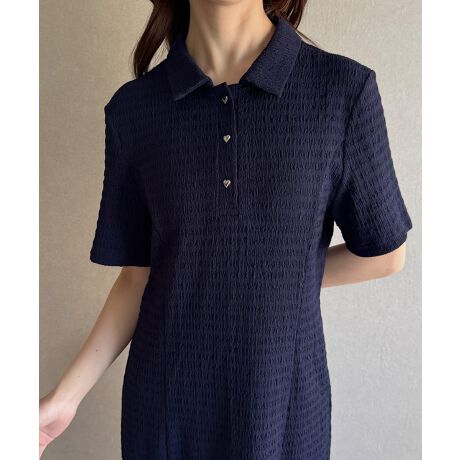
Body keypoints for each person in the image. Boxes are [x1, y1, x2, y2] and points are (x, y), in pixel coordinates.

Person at [39, 1, 413, 459]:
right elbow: (139, 277)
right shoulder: (133, 111)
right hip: (164, 415)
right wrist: (62, 400)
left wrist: (277, 275)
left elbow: (384, 254)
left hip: (283, 414)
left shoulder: (341, 92)